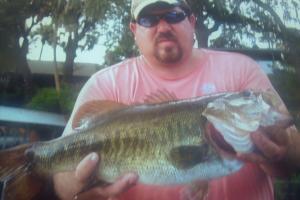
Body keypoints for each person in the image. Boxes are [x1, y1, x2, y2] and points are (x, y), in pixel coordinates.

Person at [53, 0, 300, 199]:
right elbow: (60, 182)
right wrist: (81, 189)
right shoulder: (104, 84)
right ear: (134, 30)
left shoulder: (242, 71)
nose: (163, 27)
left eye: (173, 15)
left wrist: (284, 150)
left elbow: (295, 160)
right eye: (149, 19)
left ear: (191, 21)